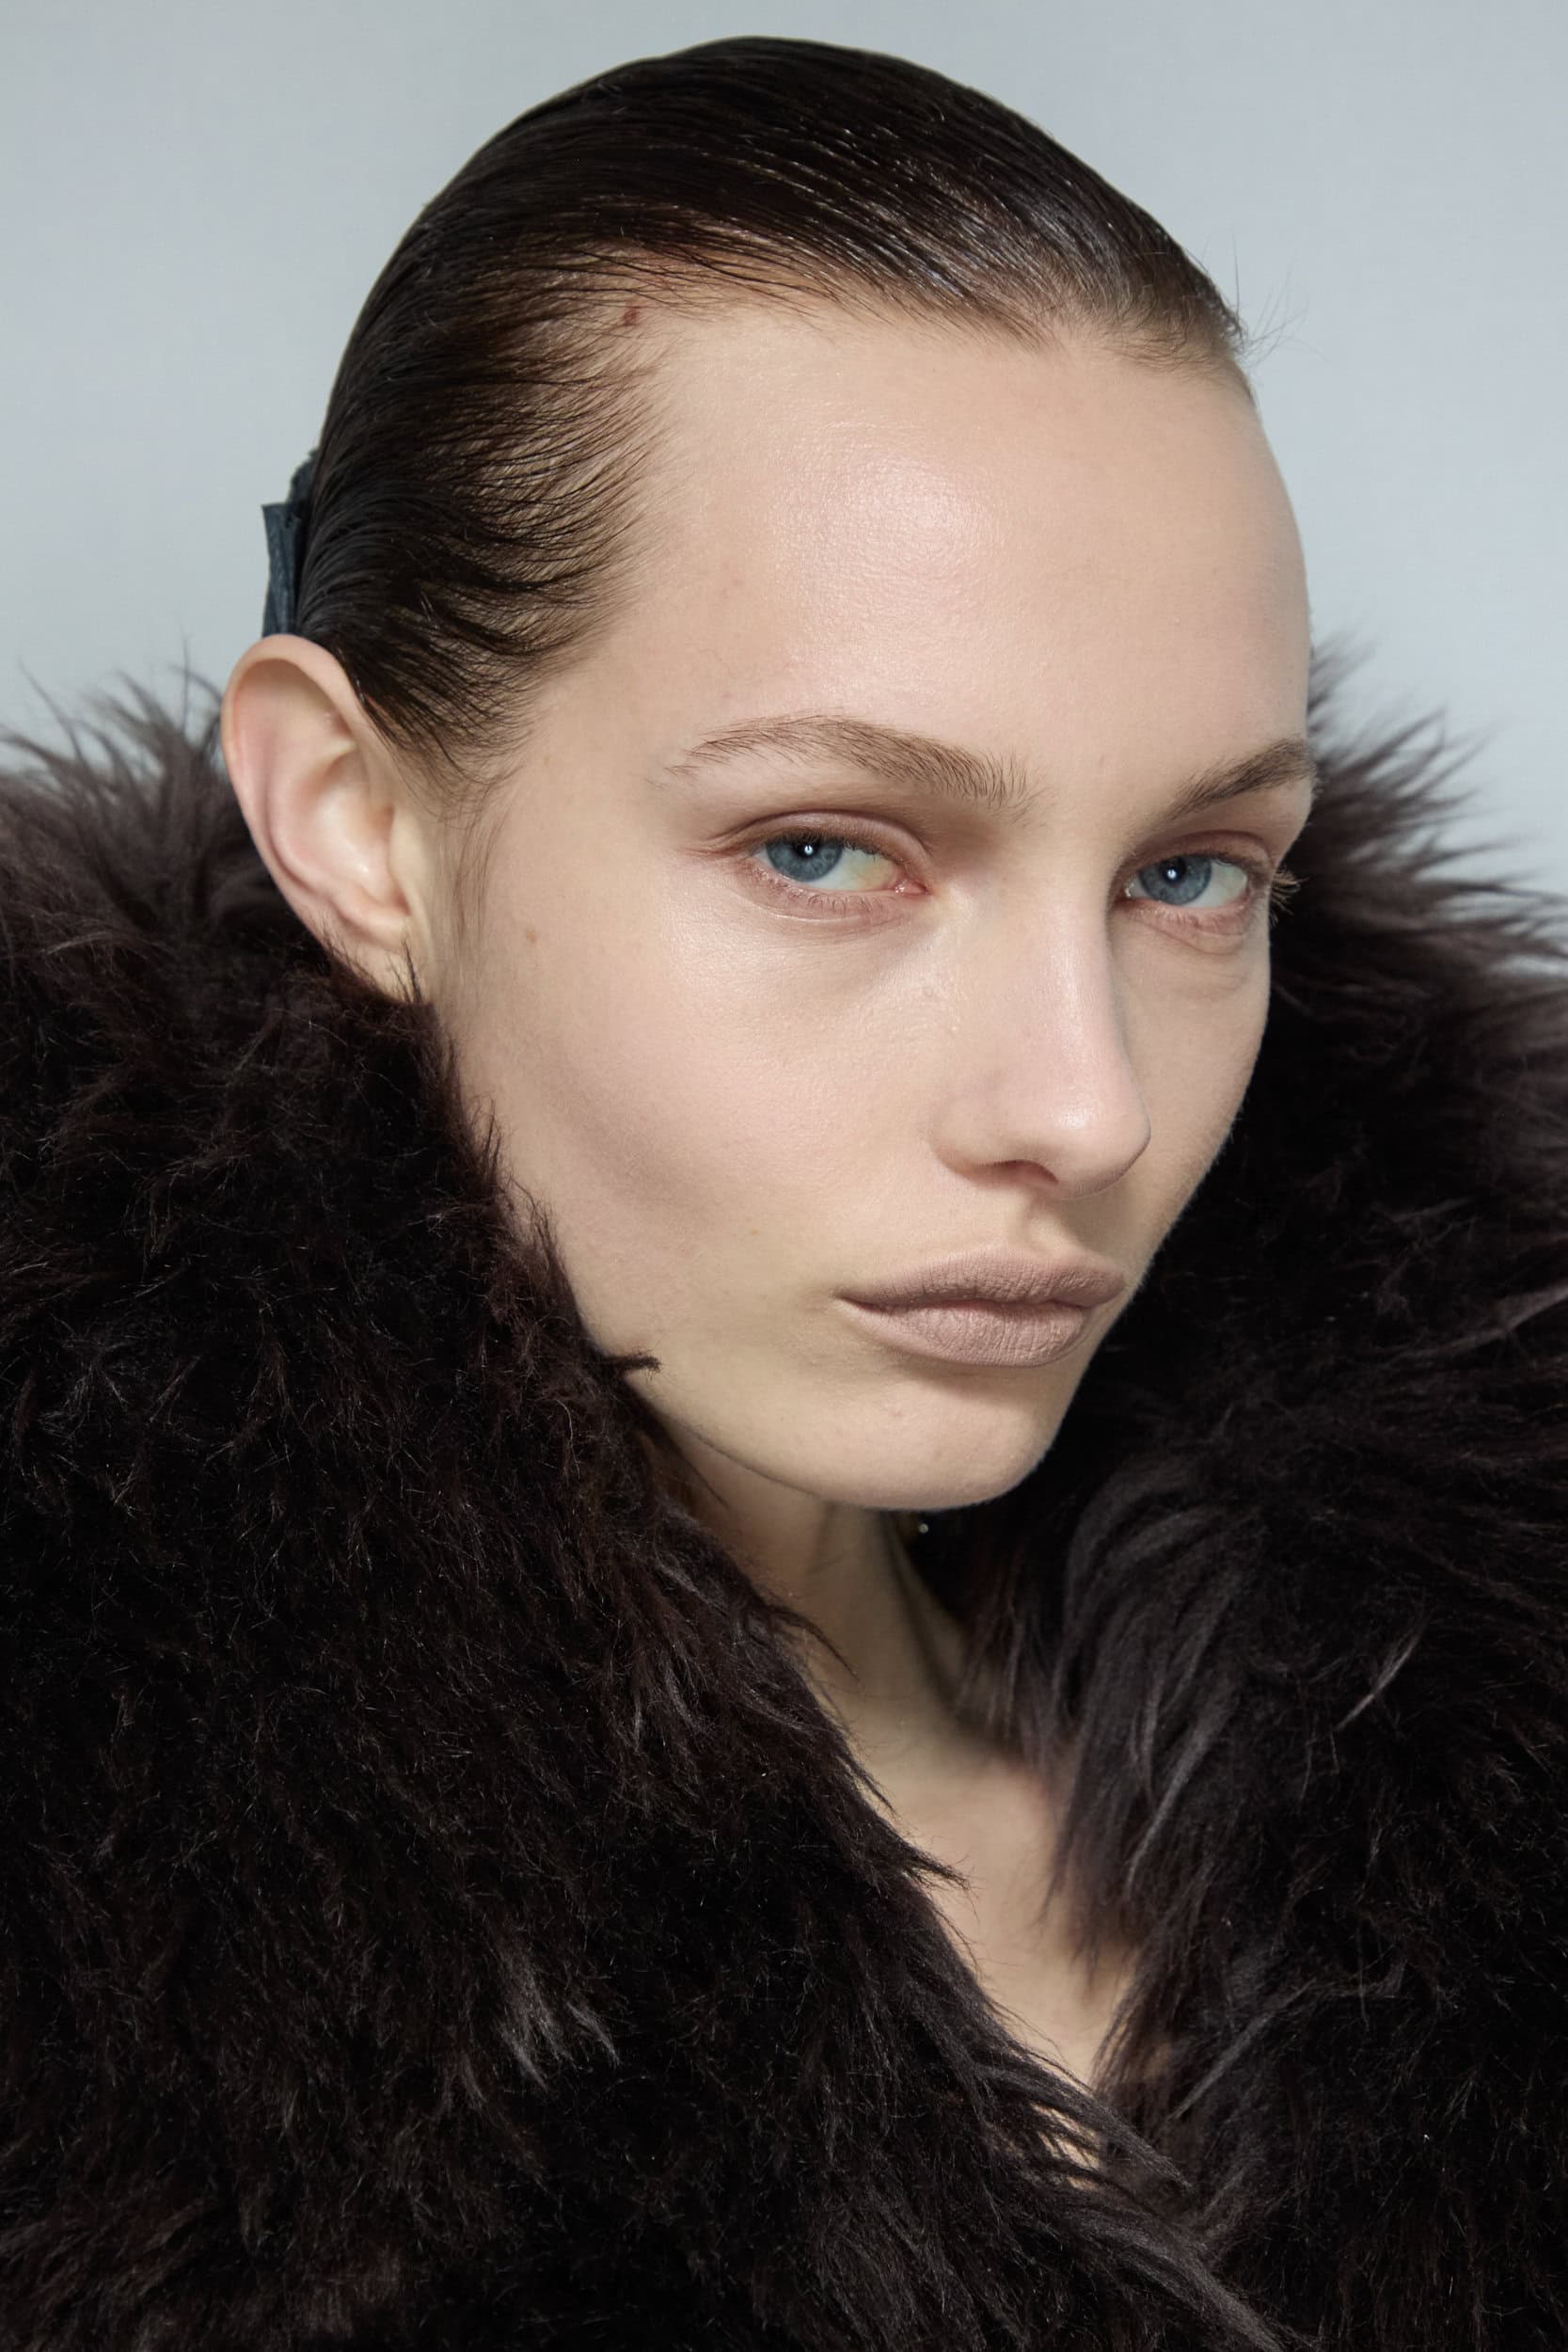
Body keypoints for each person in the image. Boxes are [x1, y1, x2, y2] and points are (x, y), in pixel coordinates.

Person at [2, 33, 1564, 2352]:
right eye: (824, 849)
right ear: (356, 822)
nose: (1083, 1105)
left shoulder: (1477, 1751)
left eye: (1191, 871)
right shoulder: (106, 1947)